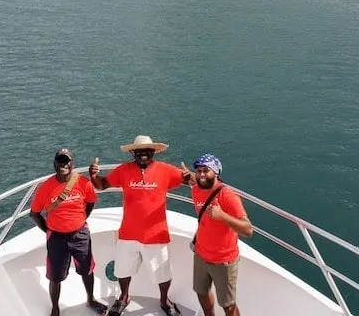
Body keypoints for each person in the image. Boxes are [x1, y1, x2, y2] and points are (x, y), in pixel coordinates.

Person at [89, 135, 194, 316]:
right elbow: (102, 184)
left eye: (147, 151)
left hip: (156, 233)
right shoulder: (124, 170)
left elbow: (190, 180)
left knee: (162, 272)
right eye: (139, 151)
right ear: (133, 153)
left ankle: (164, 300)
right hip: (128, 232)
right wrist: (93, 176)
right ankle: (124, 297)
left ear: (153, 152)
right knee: (122, 270)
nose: (143, 154)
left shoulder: (165, 170)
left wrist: (189, 175)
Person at [30, 149, 107, 316]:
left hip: (80, 235)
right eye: (60, 161)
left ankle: (91, 299)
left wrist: (80, 220)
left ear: (73, 164)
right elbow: (34, 213)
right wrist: (49, 230)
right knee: (55, 276)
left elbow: (91, 202)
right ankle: (55, 308)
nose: (63, 164)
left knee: (87, 270)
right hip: (57, 238)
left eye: (67, 161)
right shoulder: (46, 188)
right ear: (54, 164)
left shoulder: (83, 183)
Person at [190, 154, 253, 316]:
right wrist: (188, 175)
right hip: (201, 254)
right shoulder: (196, 189)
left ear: (216, 173)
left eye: (206, 171)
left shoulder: (227, 196)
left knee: (228, 304)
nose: (201, 174)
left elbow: (248, 230)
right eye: (198, 171)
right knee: (201, 292)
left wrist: (222, 216)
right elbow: (196, 181)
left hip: (223, 260)